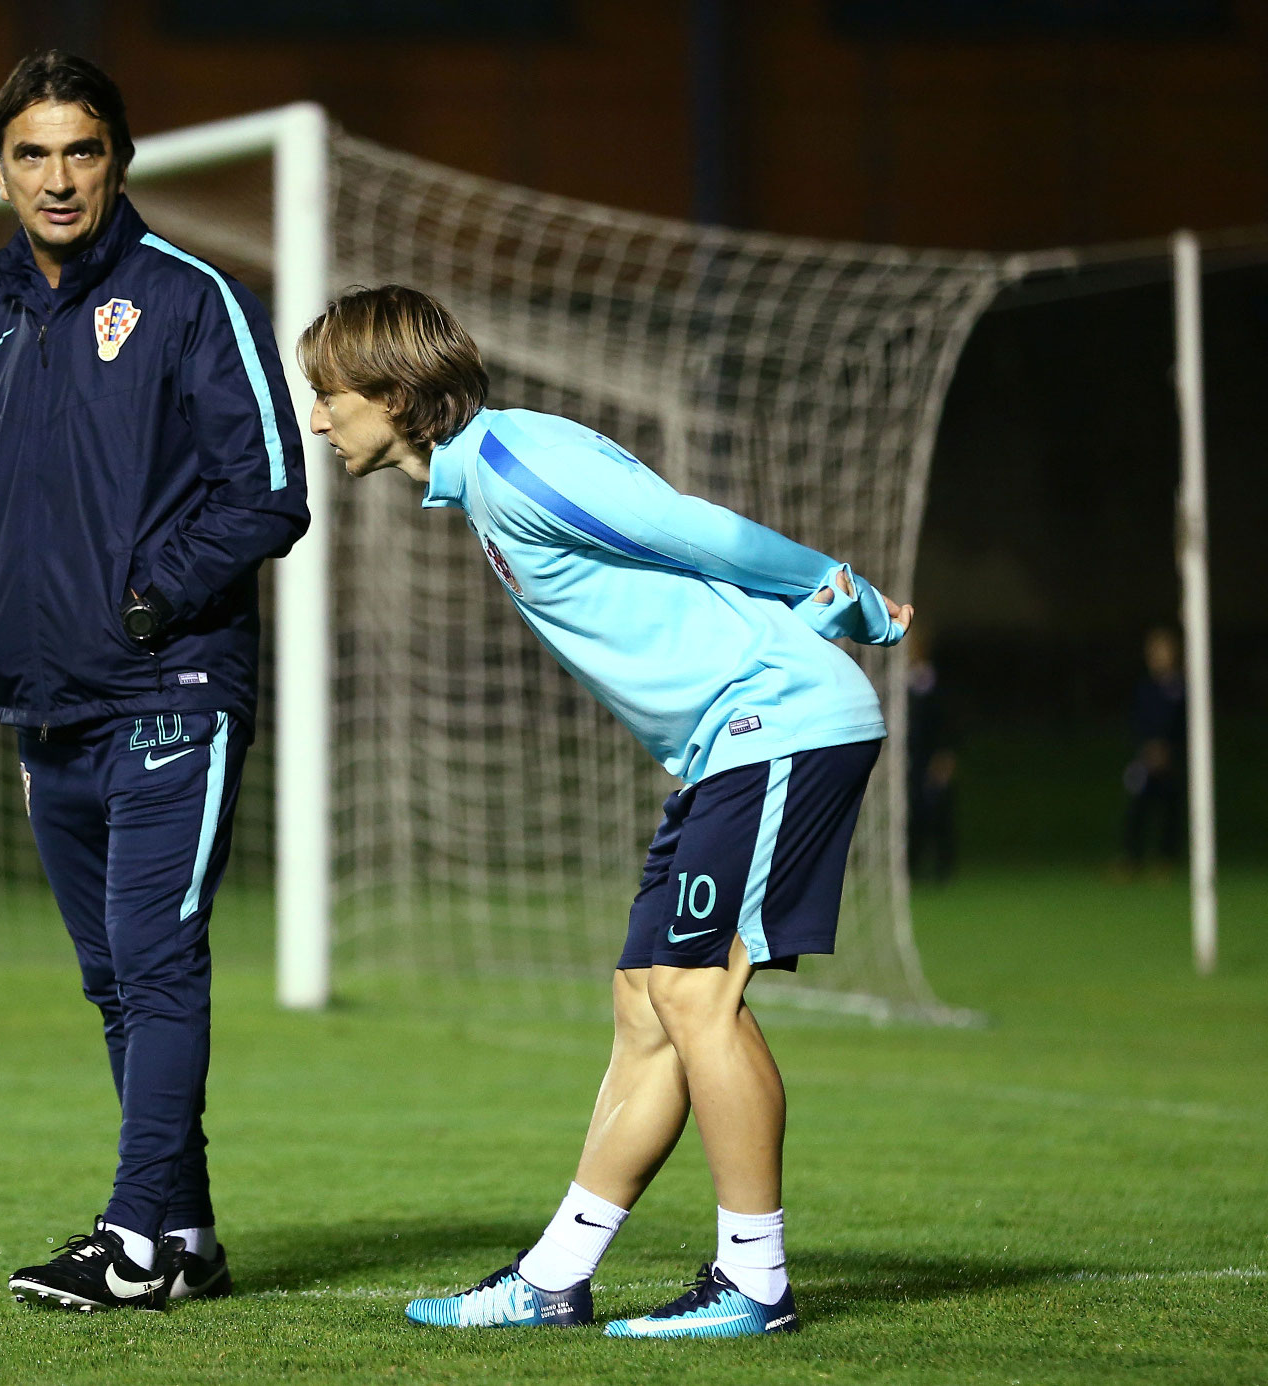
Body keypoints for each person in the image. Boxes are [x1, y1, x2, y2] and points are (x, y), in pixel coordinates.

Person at [301, 285, 910, 1340]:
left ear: (396, 395)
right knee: (645, 1001)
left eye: (328, 393)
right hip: (725, 746)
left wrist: (837, 589)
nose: (317, 417)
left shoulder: (517, 463)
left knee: (692, 992)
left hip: (777, 722)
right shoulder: (486, 479)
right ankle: (554, 1276)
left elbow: (695, 528)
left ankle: (754, 1282)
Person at [0, 51, 309, 1312]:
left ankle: (134, 1241)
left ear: (120, 161)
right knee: (112, 980)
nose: (58, 177)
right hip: (46, 705)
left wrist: (147, 598)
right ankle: (186, 1232)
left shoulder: (193, 300)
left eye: (82, 150)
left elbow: (270, 494)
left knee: (156, 963)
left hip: (175, 689)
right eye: (32, 152)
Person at [1119, 628, 1187, 876]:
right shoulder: (1144, 687)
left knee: (1171, 809)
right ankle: (1131, 859)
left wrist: (1168, 748)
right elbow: (1137, 720)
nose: (1157, 656)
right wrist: (1147, 748)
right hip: (1145, 759)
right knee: (1137, 809)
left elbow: (1182, 723)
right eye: (1153, 651)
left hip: (1171, 760)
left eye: (1163, 650)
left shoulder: (1181, 688)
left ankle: (1166, 860)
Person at [904, 632, 957, 884]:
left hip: (933, 758)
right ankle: (911, 866)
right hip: (909, 760)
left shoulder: (937, 683)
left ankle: (943, 868)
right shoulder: (901, 685)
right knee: (912, 813)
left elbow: (951, 724)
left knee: (938, 812)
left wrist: (946, 757)